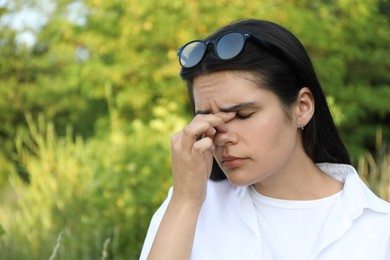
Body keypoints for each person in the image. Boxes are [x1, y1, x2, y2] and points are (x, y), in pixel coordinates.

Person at [139, 19, 390, 260]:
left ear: (302, 107)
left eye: (242, 115)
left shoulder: (379, 230)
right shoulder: (190, 206)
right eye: (207, 119)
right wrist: (185, 200)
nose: (222, 137)